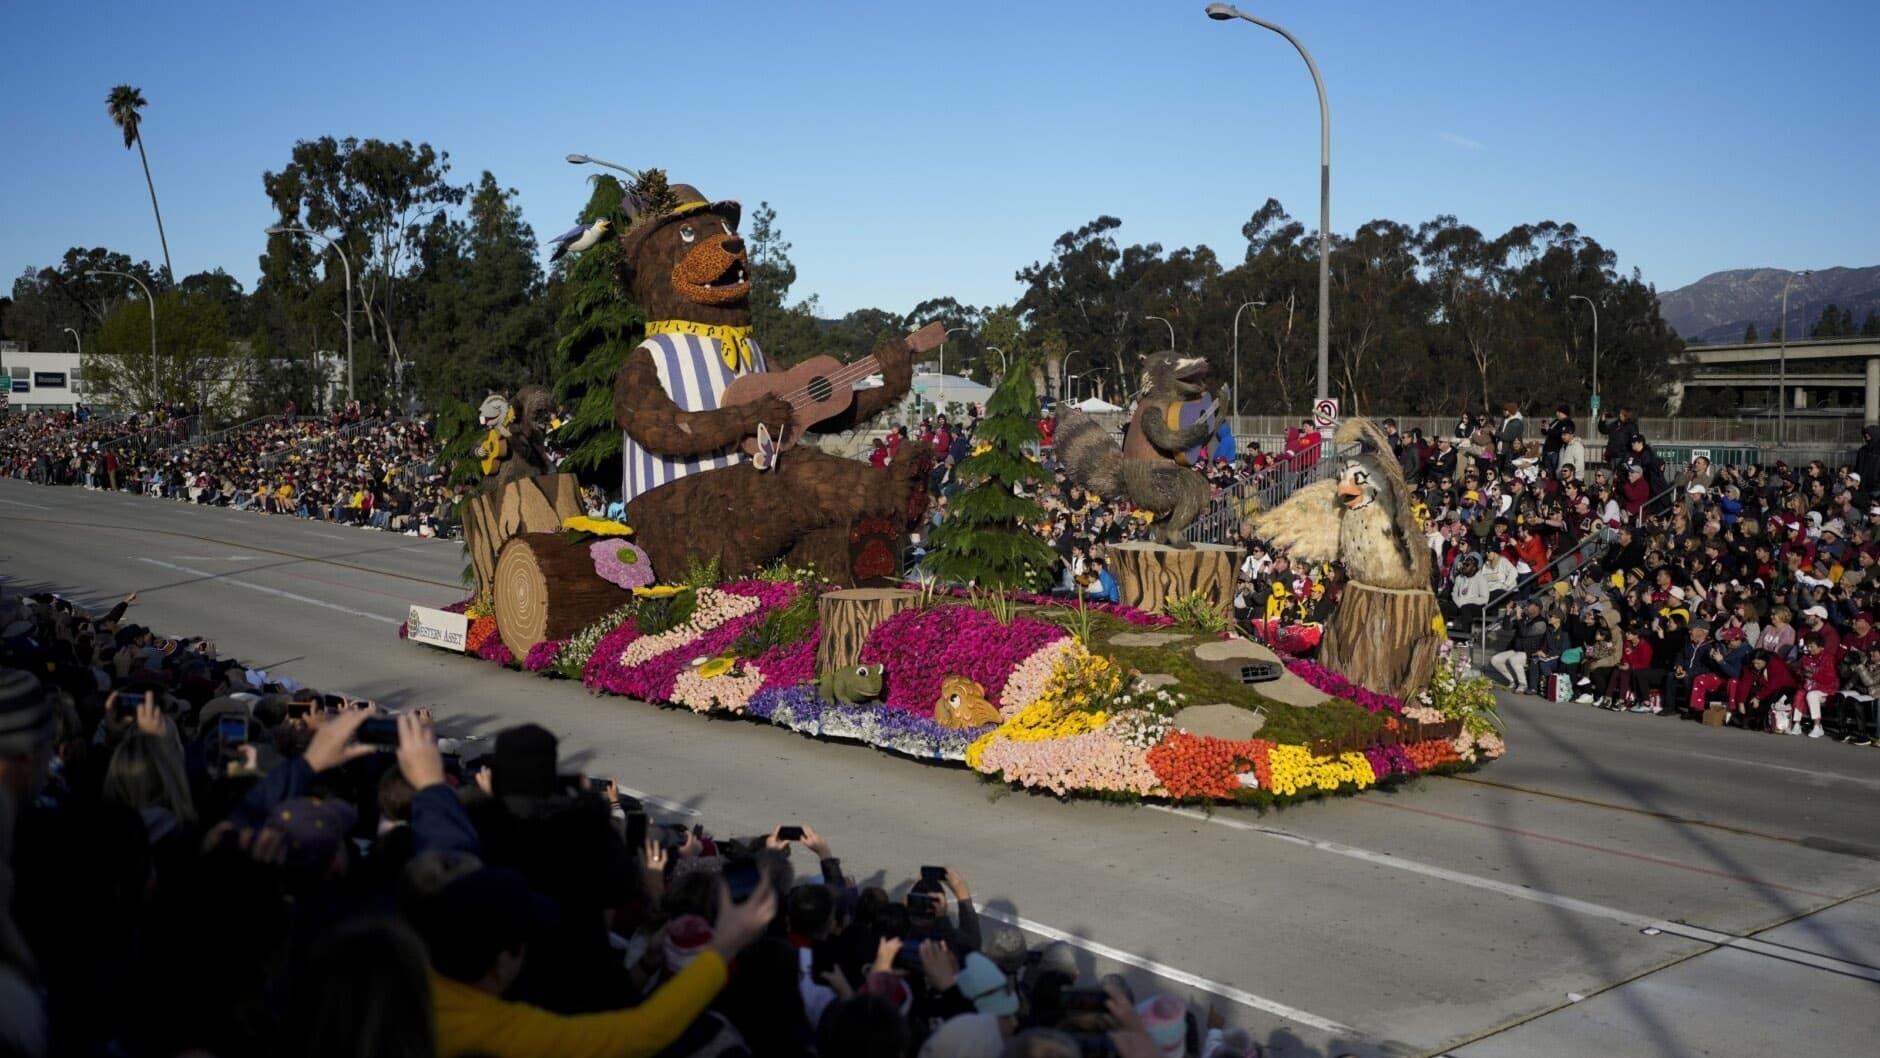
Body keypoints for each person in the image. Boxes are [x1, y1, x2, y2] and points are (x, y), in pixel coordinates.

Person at [1491, 600, 1548, 693]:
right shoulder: (1524, 618)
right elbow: (1506, 627)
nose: (1526, 606)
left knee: (1514, 659)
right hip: (1516, 649)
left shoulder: (1541, 623)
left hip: (1530, 652)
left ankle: (1523, 684)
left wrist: (1518, 617)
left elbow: (1524, 633)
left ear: (1537, 607)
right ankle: (1514, 680)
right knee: (1495, 659)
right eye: (1526, 604)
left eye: (1529, 605)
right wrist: (1508, 612)